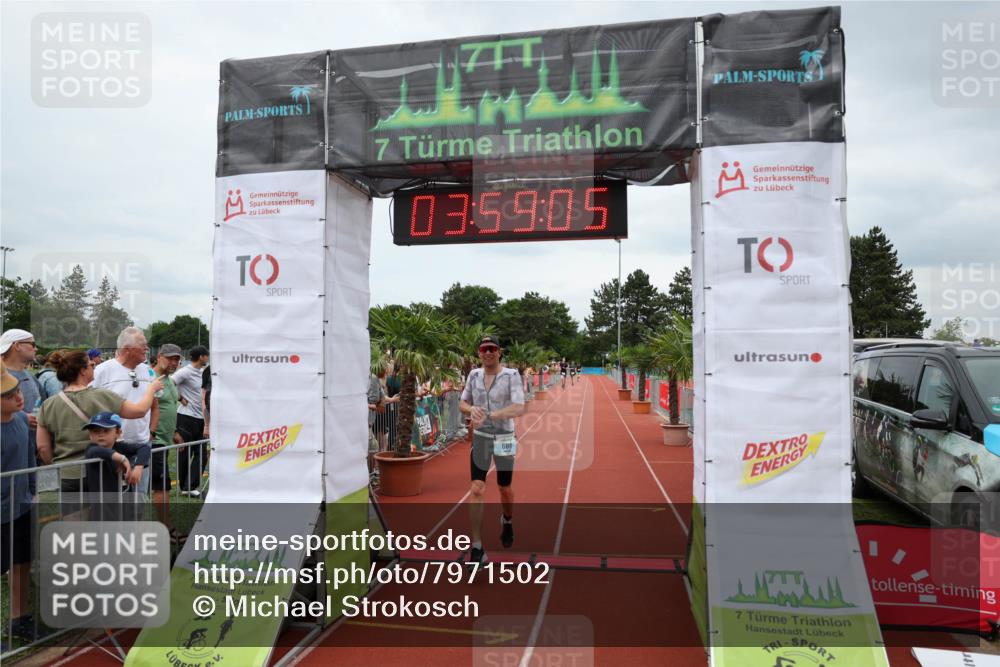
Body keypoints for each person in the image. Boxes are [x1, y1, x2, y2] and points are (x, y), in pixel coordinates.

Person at [37, 350, 162, 499]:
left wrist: (61, 466)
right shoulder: (102, 396)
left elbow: (43, 447)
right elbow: (140, 411)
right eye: (90, 365)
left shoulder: (48, 405)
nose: (94, 365)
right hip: (102, 472)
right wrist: (151, 389)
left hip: (67, 475)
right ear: (83, 371)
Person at [459, 335, 525, 566]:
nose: (488, 352)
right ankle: (476, 547)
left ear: (499, 351)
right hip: (482, 437)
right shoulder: (473, 375)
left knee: (504, 488)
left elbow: (518, 406)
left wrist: (492, 415)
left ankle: (507, 520)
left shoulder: (511, 375)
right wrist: (472, 410)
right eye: (483, 349)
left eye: (492, 348)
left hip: (505, 437)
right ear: (479, 352)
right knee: (476, 488)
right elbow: (462, 403)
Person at [91, 327, 159, 498]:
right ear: (127, 349)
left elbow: (154, 405)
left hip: (142, 446)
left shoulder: (148, 371)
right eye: (143, 345)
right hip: (112, 448)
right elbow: (90, 404)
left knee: (140, 497)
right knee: (113, 499)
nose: (147, 348)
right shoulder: (102, 371)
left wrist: (151, 431)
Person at [1, 364, 35, 643]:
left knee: (21, 562)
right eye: (9, 394)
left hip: (22, 506)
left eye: (16, 388)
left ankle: (19, 618)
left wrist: (32, 492)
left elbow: (29, 461)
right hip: (1, 511)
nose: (18, 395)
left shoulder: (23, 420)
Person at [82, 411, 150, 520]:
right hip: (103, 510)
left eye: (106, 430)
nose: (100, 434)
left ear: (118, 432)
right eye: (95, 431)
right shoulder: (91, 449)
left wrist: (138, 467)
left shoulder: (120, 447)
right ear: (90, 435)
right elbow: (98, 451)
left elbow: (144, 448)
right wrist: (123, 459)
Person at [0, 329, 48, 462]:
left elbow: (44, 404)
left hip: (31, 452)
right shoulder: (1, 376)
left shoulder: (31, 377)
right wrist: (20, 417)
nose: (36, 348)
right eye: (32, 344)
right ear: (17, 346)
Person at [151, 344, 183, 537]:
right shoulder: (151, 379)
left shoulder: (170, 380)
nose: (174, 362)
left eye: (177, 359)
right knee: (161, 485)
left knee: (162, 484)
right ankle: (166, 528)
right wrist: (152, 433)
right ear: (160, 356)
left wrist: (175, 432)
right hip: (155, 442)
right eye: (170, 358)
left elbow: (168, 407)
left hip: (165, 439)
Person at [172, 346, 209, 497]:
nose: (208, 358)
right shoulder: (185, 371)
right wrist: (179, 397)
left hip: (201, 419)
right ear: (201, 357)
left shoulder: (203, 372)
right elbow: (169, 383)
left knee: (201, 454)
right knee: (184, 453)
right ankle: (185, 488)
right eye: (207, 355)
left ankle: (191, 486)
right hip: (186, 418)